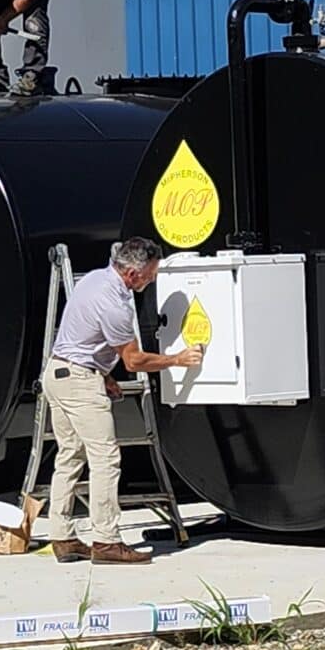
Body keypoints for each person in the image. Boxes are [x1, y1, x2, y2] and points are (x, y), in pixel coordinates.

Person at [41, 236, 203, 565]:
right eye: (152, 274)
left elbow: (83, 338)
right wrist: (177, 360)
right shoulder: (114, 303)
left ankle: (62, 536)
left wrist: (104, 375)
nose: (153, 279)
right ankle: (107, 541)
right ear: (132, 275)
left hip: (58, 372)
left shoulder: (93, 279)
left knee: (70, 456)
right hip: (79, 382)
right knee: (106, 459)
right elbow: (133, 361)